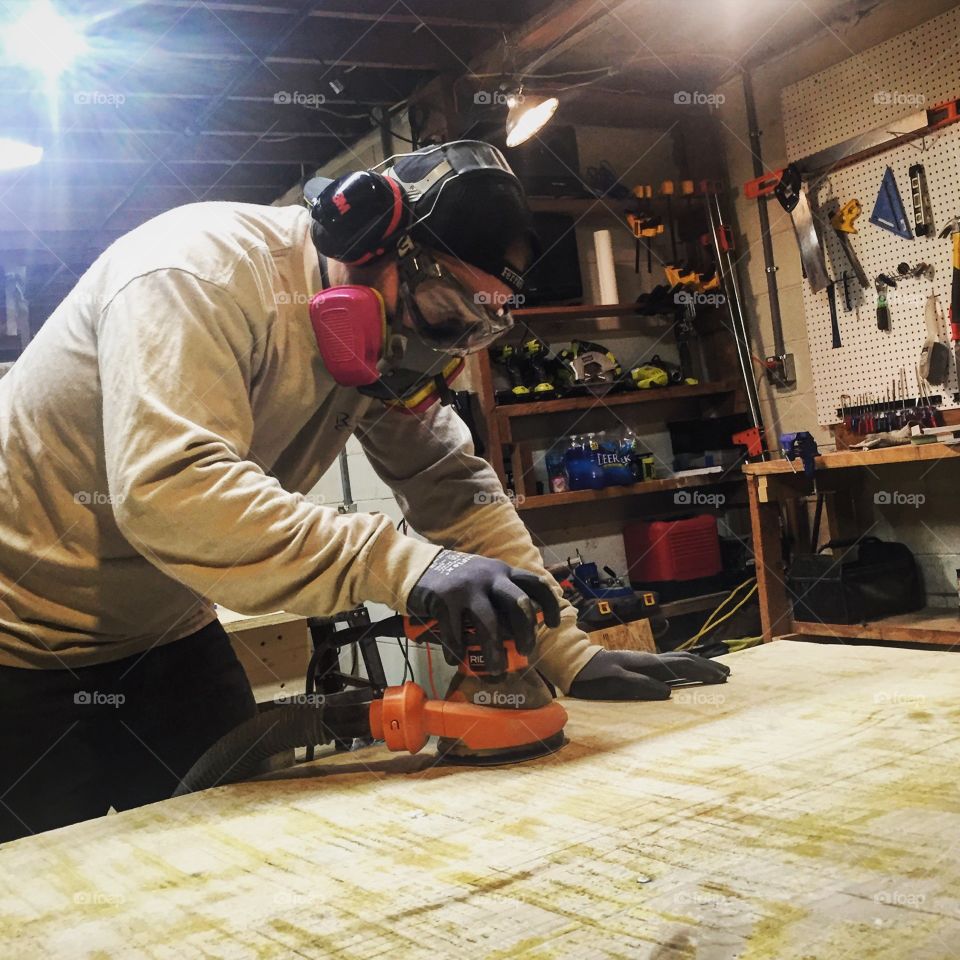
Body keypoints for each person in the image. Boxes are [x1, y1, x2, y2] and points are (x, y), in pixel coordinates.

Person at [0, 140, 728, 842]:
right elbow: (169, 489)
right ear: (366, 240)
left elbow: (451, 485)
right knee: (38, 889)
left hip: (166, 633)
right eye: (442, 312)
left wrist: (563, 648)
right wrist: (406, 567)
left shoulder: (382, 337)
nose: (435, 349)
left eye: (469, 332)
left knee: (228, 858)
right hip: (16, 642)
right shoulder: (196, 273)